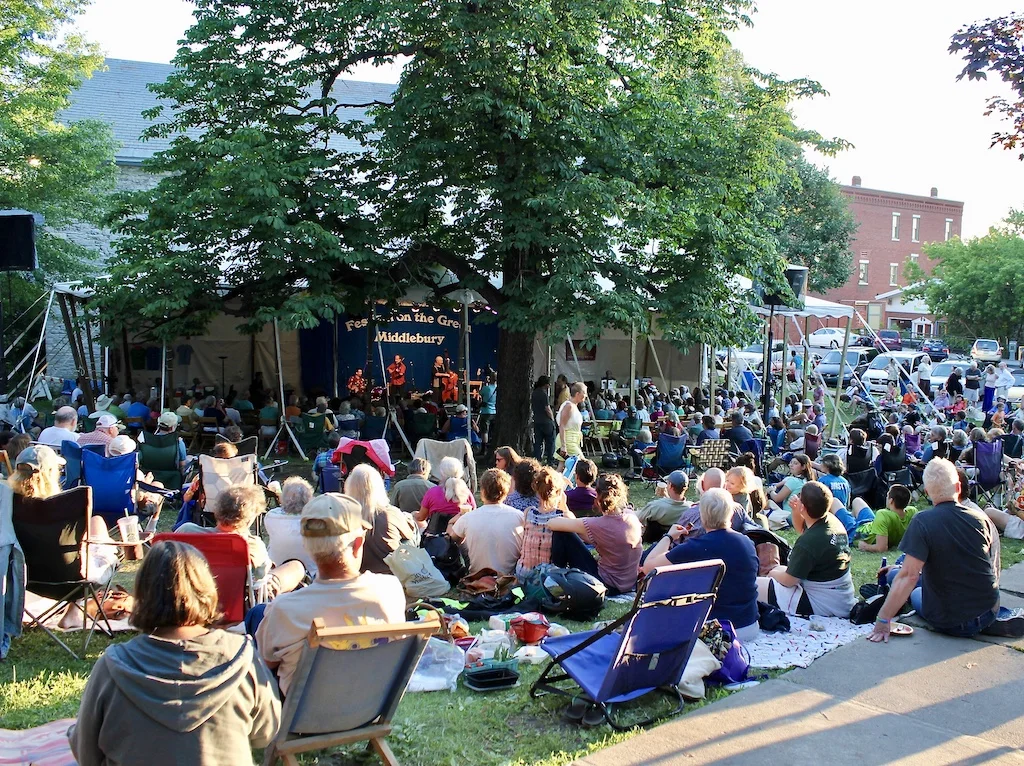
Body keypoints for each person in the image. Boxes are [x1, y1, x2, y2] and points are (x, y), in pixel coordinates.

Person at [68, 540, 281, 765]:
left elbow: (86, 752)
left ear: (143, 595)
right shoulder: (242, 657)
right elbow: (266, 732)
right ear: (206, 590)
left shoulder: (112, 667)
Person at [255, 493, 407, 694]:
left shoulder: (284, 610)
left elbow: (263, 668)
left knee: (258, 617)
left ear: (307, 547)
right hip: (367, 711)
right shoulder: (390, 590)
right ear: (358, 545)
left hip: (303, 721)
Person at [869, 458, 1024, 642]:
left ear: (927, 492)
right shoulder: (981, 519)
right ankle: (993, 620)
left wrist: (883, 619)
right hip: (988, 608)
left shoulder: (922, 521)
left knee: (907, 585)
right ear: (958, 488)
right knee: (904, 577)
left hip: (950, 619)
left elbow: (909, 576)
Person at [642, 487, 760, 643]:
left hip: (715, 630)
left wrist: (668, 537)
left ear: (702, 516)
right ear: (731, 513)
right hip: (749, 625)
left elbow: (648, 567)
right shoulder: (747, 542)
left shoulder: (695, 547)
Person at [178, 486, 305, 596]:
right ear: (250, 519)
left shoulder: (186, 531)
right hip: (238, 602)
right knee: (295, 567)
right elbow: (261, 577)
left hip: (194, 596)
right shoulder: (250, 545)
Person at [756, 481, 856, 617]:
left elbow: (790, 580)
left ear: (804, 506)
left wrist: (771, 573)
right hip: (841, 596)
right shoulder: (830, 520)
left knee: (755, 585)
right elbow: (802, 529)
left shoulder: (808, 542)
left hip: (822, 602)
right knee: (778, 570)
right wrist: (797, 511)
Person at [547, 473, 643, 595]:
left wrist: (562, 506)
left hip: (606, 584)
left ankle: (556, 576)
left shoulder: (599, 524)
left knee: (563, 533)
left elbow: (552, 523)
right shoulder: (631, 516)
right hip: (629, 583)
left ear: (597, 497)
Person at [448, 468, 524, 574]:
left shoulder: (467, 518)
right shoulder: (519, 517)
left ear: (482, 491)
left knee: (461, 538)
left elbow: (451, 542)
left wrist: (451, 523)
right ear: (506, 491)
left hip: (477, 577)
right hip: (509, 577)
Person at [346, 463, 418, 574]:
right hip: (391, 571)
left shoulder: (344, 516)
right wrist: (408, 519)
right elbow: (409, 534)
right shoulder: (389, 513)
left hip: (358, 569)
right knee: (414, 528)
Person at [264, 476, 317, 575]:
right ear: (309, 498)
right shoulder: (316, 520)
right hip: (311, 573)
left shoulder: (271, 517)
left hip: (277, 571)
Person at [415, 456, 475, 531]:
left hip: (435, 536)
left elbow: (421, 518)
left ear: (442, 473)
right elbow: (474, 514)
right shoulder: (466, 493)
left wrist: (413, 514)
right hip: (460, 536)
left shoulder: (432, 492)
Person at [855, 485, 917, 552]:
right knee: (857, 501)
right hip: (872, 524)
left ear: (891, 501)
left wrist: (866, 547)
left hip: (858, 531)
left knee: (855, 501)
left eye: (887, 496)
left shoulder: (883, 515)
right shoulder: (912, 512)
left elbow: (881, 548)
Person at [636, 470, 690, 542]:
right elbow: (676, 504)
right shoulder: (690, 508)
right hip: (675, 539)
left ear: (670, 485)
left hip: (653, 538)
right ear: (686, 488)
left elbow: (639, 518)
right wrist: (667, 497)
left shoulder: (655, 506)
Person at [767, 454, 816, 527]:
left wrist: (771, 491)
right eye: (791, 463)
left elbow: (777, 499)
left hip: (790, 517)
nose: (791, 465)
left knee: (768, 501)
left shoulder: (793, 481)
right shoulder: (810, 481)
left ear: (803, 467)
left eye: (795, 463)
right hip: (803, 517)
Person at [557, 382, 587, 459]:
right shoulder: (569, 406)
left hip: (573, 440)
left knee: (562, 467)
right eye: (584, 393)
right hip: (568, 440)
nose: (586, 395)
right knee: (584, 465)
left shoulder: (574, 406)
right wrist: (563, 446)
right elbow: (562, 425)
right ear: (577, 394)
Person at [531, 376, 555, 464]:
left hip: (537, 420)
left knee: (538, 442)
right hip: (546, 421)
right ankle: (550, 460)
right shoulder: (543, 394)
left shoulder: (534, 393)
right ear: (545, 384)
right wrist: (552, 418)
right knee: (550, 442)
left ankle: (537, 460)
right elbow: (547, 408)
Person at [477, 374, 497, 453]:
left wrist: (485, 383)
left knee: (484, 431)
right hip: (494, 411)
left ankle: (483, 449)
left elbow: (481, 393)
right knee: (492, 430)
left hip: (486, 411)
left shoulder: (486, 388)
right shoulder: (497, 388)